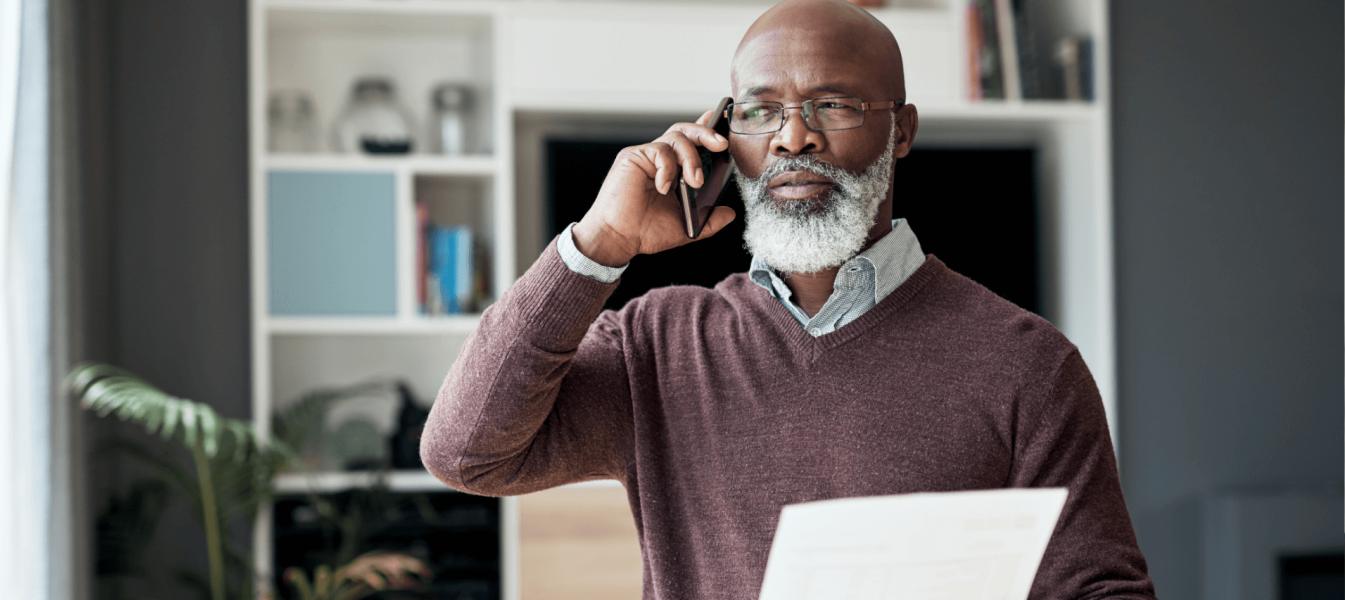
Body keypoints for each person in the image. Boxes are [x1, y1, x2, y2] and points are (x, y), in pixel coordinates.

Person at [420, 0, 1156, 597]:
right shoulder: (656, 342)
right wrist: (600, 242)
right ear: (723, 134)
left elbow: (1101, 589)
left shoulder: (1025, 362)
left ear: (900, 130)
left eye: (831, 104)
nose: (791, 138)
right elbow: (464, 456)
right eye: (760, 111)